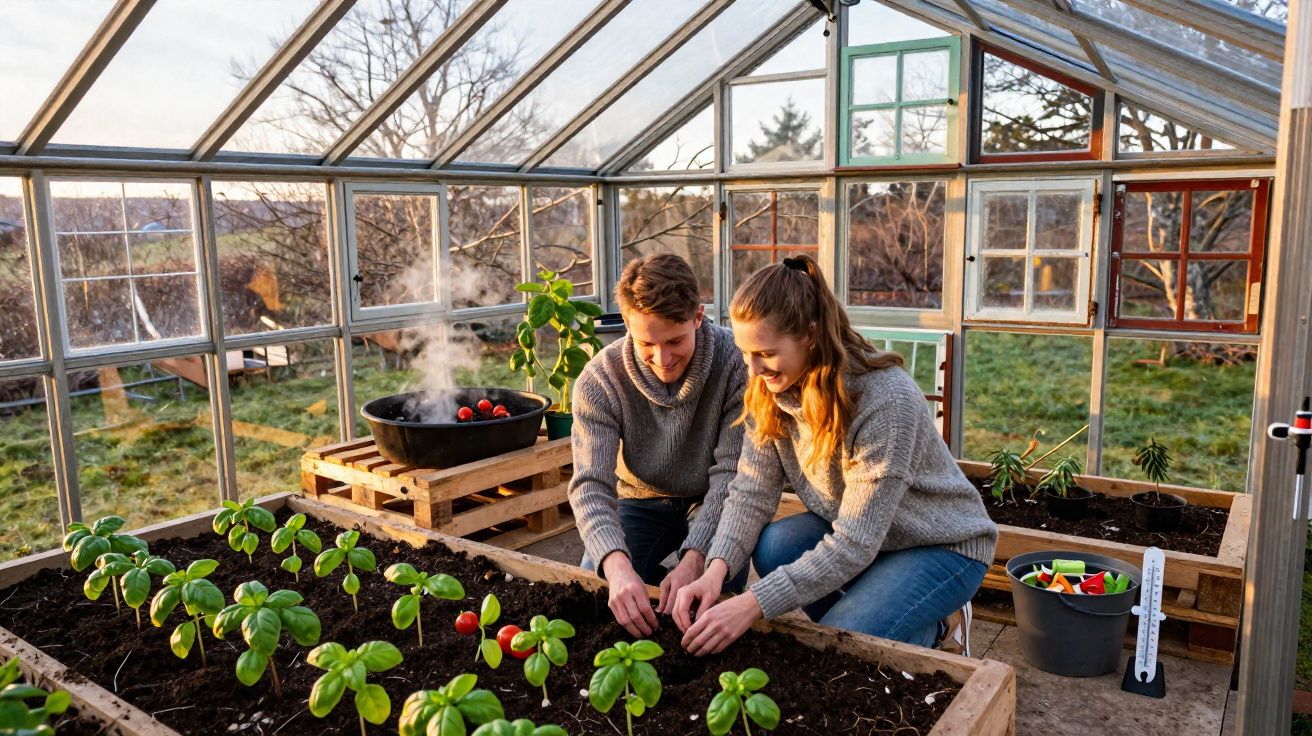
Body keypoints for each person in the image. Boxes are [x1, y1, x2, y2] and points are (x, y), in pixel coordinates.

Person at [672, 254, 997, 656]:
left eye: (766, 354)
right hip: (872, 539)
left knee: (845, 645)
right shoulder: (767, 390)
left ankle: (938, 630)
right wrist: (715, 570)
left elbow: (855, 541)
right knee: (775, 546)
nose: (752, 370)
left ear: (809, 335)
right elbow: (751, 491)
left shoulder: (884, 401)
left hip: (941, 545)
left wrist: (753, 603)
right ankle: (880, 611)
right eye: (744, 353)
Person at [569, 253, 749, 638]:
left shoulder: (735, 364)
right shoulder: (600, 380)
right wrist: (617, 567)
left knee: (715, 607)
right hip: (639, 498)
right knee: (598, 582)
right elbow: (591, 486)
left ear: (698, 317)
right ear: (627, 324)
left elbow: (733, 475)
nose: (662, 358)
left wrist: (695, 557)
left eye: (675, 340)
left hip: (712, 498)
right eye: (646, 342)